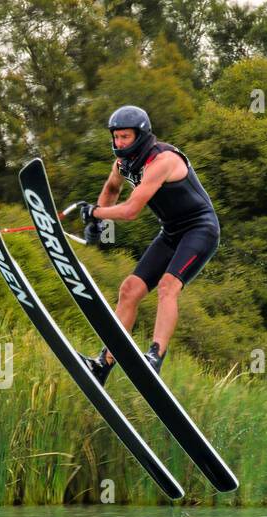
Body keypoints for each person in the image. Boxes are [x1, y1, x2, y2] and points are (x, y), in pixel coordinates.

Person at [73, 105, 220, 385]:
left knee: (167, 286)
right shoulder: (123, 164)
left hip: (200, 230)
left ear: (140, 135)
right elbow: (112, 189)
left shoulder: (162, 160)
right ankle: (102, 365)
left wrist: (95, 213)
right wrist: (98, 223)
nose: (119, 143)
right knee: (129, 290)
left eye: (125, 137)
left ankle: (155, 357)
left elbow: (130, 211)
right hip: (171, 232)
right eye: (115, 137)